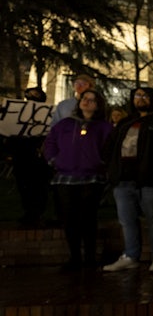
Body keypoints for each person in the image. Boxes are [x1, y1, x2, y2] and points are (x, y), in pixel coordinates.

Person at [102, 87, 153, 273]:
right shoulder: (126, 122)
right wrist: (112, 169)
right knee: (127, 219)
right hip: (123, 179)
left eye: (145, 95)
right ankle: (131, 255)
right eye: (137, 95)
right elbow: (110, 146)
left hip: (152, 179)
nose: (140, 99)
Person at [43, 89, 113, 268]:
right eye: (84, 99)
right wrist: (54, 160)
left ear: (98, 105)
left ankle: (90, 258)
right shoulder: (65, 124)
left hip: (91, 177)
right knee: (69, 218)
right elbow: (50, 142)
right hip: (65, 177)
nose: (86, 102)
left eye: (92, 100)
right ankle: (74, 257)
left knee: (88, 218)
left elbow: (110, 148)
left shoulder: (103, 127)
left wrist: (101, 163)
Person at [8, 87, 52, 227]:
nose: (32, 97)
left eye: (35, 95)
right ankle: (28, 212)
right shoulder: (19, 113)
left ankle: (37, 213)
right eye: (30, 95)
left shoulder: (46, 115)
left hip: (39, 156)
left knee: (39, 186)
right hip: (21, 155)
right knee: (24, 185)